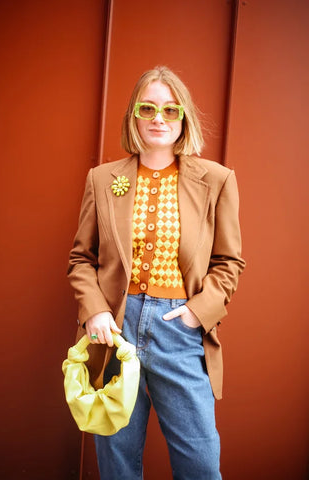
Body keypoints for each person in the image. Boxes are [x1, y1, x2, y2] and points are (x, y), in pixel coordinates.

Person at [68, 65, 245, 479]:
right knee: (117, 459)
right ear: (133, 116)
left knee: (199, 460)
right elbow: (81, 258)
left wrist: (194, 314)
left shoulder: (216, 181)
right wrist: (95, 312)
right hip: (113, 328)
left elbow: (229, 262)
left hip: (179, 330)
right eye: (147, 109)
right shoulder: (102, 179)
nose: (158, 119)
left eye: (170, 109)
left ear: (183, 117)